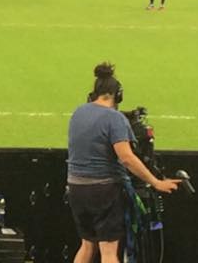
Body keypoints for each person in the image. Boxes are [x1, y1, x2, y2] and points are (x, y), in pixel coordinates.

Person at [67, 63, 179, 263]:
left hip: (76, 188)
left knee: (87, 245)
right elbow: (127, 158)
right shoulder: (114, 118)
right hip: (103, 191)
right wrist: (156, 182)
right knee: (109, 252)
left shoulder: (78, 113)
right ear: (115, 95)